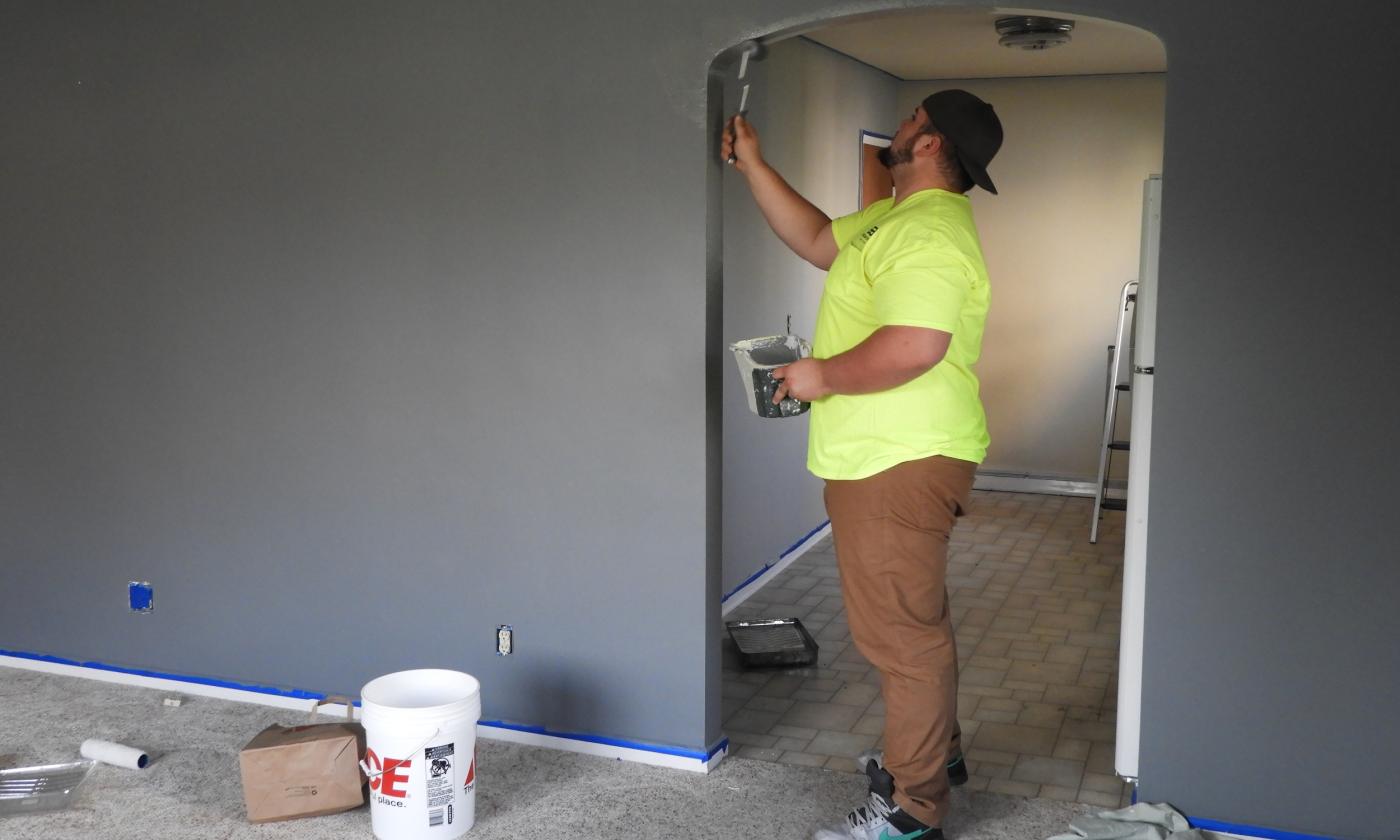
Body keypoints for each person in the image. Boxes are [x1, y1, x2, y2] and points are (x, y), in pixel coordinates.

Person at [721, 89, 1003, 840]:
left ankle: (912, 812)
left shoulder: (933, 233)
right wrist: (754, 164)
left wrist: (820, 376)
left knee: (900, 641)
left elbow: (917, 345)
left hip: (899, 460)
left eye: (913, 118)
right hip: (882, 457)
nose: (902, 124)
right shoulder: (894, 217)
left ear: (932, 143)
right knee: (917, 624)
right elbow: (816, 237)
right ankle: (936, 759)